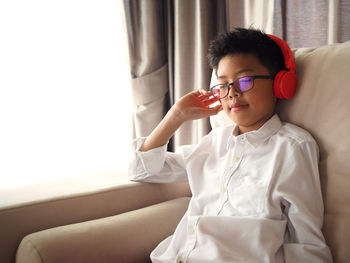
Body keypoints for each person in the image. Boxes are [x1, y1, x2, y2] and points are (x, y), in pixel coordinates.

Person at [128, 28, 332, 263]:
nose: (232, 93)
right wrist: (176, 115)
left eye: (245, 81)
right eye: (223, 85)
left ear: (280, 84)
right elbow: (142, 170)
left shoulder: (293, 147)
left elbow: (306, 242)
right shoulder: (214, 141)